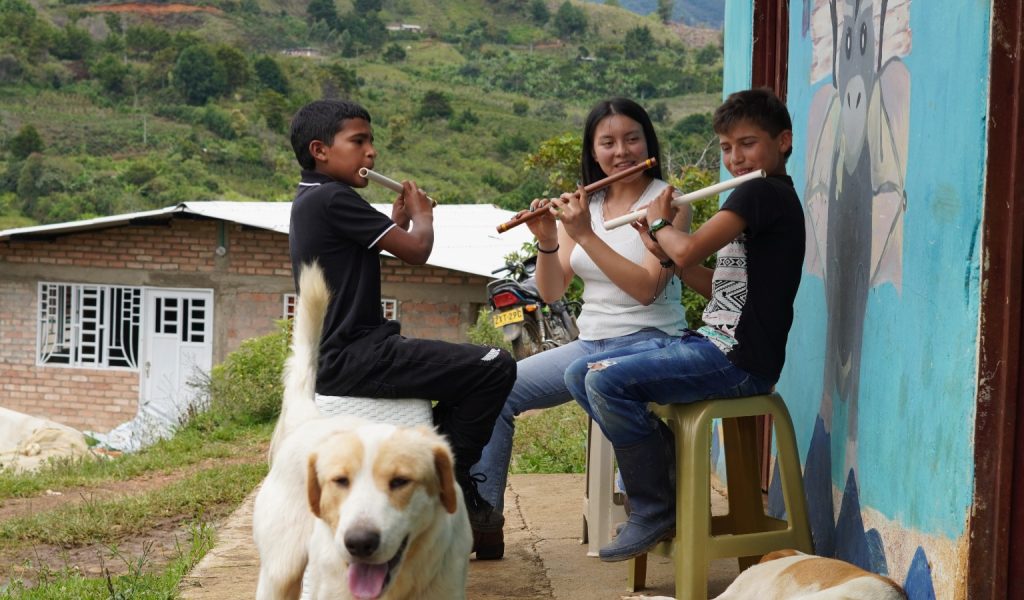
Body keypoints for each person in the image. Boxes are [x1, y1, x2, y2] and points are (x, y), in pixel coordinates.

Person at [564, 88, 805, 562]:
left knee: (605, 381)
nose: (736, 158)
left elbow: (689, 247)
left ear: (783, 141)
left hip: (738, 359)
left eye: (748, 144)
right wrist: (664, 252)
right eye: (727, 148)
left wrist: (661, 225)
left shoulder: (761, 192)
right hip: (714, 343)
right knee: (579, 373)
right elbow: (717, 285)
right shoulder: (759, 197)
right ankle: (666, 462)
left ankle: (654, 506)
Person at [287, 99, 517, 558]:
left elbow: (367, 249)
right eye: (358, 141)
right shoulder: (334, 198)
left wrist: (396, 222)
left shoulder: (311, 198)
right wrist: (423, 215)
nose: (371, 152)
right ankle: (446, 482)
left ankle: (439, 476)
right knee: (495, 365)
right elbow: (416, 251)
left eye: (371, 142)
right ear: (320, 150)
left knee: (466, 372)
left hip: (344, 356)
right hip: (358, 356)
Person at [469, 97, 690, 559]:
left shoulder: (668, 203)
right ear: (593, 151)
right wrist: (549, 240)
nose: (621, 151)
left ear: (648, 142)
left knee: (596, 377)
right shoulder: (584, 206)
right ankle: (483, 520)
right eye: (608, 142)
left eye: (632, 139)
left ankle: (647, 482)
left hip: (651, 340)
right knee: (496, 388)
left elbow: (646, 289)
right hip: (591, 343)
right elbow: (552, 292)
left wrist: (586, 232)